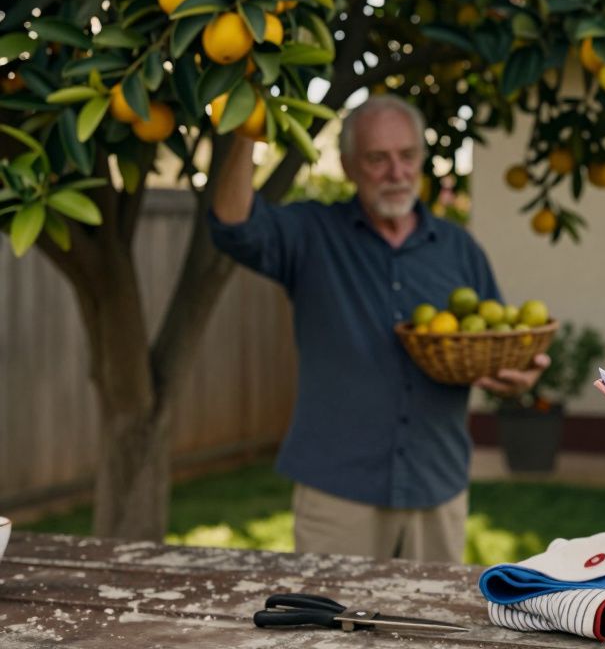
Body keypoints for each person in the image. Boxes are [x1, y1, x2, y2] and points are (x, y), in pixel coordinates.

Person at [209, 94, 548, 563]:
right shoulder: (312, 233)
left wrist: (518, 376)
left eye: (407, 156)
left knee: (434, 629)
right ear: (348, 166)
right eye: (377, 159)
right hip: (337, 491)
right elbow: (233, 226)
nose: (396, 173)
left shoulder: (458, 248)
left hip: (437, 484)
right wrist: (245, 129)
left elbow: (495, 343)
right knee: (330, 632)